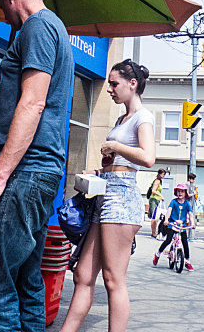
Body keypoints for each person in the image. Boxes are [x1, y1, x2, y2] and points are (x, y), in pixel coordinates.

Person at [0, 0, 73, 331]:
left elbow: (32, 104)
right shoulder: (56, 29)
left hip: (22, 175)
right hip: (38, 175)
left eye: (1, 5)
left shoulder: (37, 27)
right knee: (27, 286)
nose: (2, 15)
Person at [60, 58, 155, 332]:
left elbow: (148, 157)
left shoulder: (142, 117)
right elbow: (120, 162)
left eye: (114, 84)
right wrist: (99, 171)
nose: (110, 89)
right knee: (83, 274)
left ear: (132, 84)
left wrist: (115, 145)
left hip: (122, 200)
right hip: (106, 195)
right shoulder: (121, 118)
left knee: (114, 280)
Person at [153, 183, 195, 272]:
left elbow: (190, 214)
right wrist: (166, 220)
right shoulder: (173, 202)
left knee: (185, 242)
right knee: (168, 240)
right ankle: (158, 254)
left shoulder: (187, 203)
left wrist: (193, 223)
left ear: (185, 193)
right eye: (178, 191)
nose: (180, 193)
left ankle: (187, 261)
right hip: (172, 224)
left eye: (182, 191)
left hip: (182, 226)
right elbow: (169, 210)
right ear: (176, 192)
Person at [148, 169, 166, 238]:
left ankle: (154, 232)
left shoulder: (159, 181)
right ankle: (153, 232)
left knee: (156, 216)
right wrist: (160, 195)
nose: (163, 176)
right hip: (154, 199)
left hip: (157, 199)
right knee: (154, 216)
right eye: (163, 174)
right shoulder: (157, 181)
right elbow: (153, 191)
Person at [186, 173, 197, 240]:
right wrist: (193, 194)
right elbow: (187, 195)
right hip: (188, 204)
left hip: (191, 204)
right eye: (193, 179)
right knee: (187, 221)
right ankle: (185, 236)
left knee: (189, 221)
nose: (194, 180)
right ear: (190, 179)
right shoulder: (187, 185)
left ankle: (187, 236)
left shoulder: (191, 185)